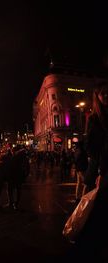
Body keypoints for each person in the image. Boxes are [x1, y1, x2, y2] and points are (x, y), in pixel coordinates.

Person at [73, 82, 108, 262]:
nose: (106, 96)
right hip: (100, 171)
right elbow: (93, 148)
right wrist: (101, 170)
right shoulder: (94, 118)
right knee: (94, 212)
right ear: (97, 97)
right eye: (103, 94)